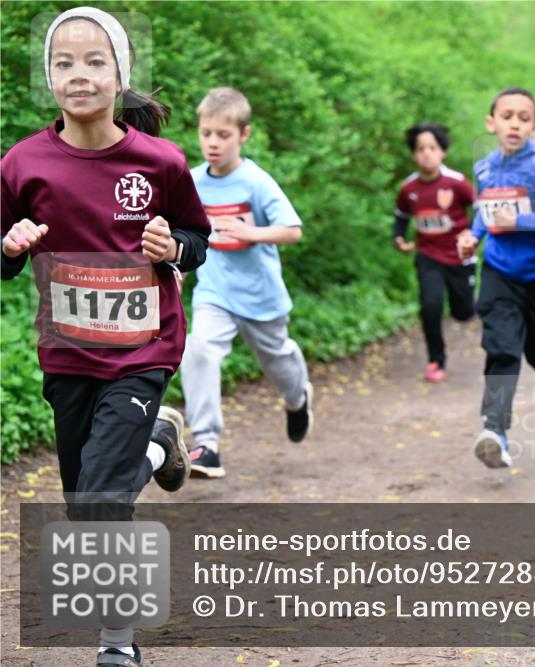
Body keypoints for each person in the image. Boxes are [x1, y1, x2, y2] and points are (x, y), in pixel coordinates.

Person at [1, 8, 211, 665]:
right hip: (67, 354)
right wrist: (10, 247)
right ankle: (159, 446)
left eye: (95, 62)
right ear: (48, 77)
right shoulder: (22, 163)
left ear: (122, 74)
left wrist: (173, 244)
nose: (79, 75)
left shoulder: (159, 161)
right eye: (64, 62)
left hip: (142, 353)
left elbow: (197, 239)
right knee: (85, 504)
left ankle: (117, 644)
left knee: (99, 500)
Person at [180, 87, 312, 479]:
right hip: (214, 293)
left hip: (261, 296)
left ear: (244, 135)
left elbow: (293, 231)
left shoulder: (256, 181)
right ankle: (206, 445)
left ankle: (298, 399)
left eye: (224, 135)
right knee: (199, 349)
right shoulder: (192, 182)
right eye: (206, 134)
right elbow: (187, 236)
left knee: (278, 360)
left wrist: (249, 232)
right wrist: (177, 274)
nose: (213, 143)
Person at [456, 87, 535, 468]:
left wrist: (520, 222)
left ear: (533, 125)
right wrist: (472, 237)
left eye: (524, 118)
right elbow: (485, 209)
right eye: (507, 116)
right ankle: (495, 430)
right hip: (498, 270)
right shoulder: (485, 168)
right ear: (491, 123)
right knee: (502, 347)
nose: (515, 123)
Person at [393, 122, 477, 383]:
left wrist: (471, 235)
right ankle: (435, 361)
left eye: (432, 148)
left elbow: (480, 211)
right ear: (413, 154)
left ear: (443, 152)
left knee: (463, 312)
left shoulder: (457, 183)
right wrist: (399, 237)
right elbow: (402, 217)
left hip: (460, 256)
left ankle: (472, 304)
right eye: (420, 149)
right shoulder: (408, 188)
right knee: (430, 306)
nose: (426, 154)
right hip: (427, 255)